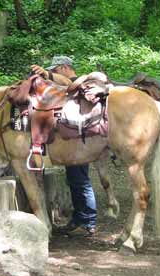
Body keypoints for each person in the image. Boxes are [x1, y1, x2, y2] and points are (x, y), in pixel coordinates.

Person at [31, 56, 97, 235]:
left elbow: (66, 81)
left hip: (79, 142)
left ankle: (88, 221)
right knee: (75, 180)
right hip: (73, 142)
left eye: (55, 70)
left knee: (81, 180)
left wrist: (46, 74)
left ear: (65, 67)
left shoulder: (76, 83)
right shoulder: (73, 88)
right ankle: (79, 219)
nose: (53, 74)